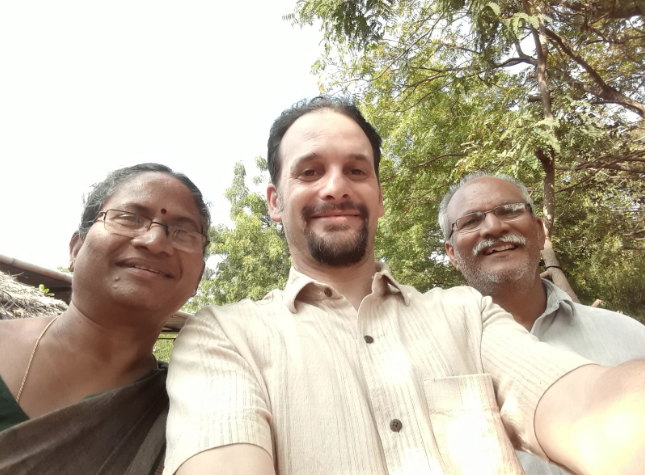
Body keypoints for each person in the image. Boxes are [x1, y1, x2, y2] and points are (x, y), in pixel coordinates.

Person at [164, 97, 645, 475]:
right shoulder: (222, 337)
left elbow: (589, 410)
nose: (336, 187)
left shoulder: (466, 316)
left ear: (378, 196)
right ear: (274, 200)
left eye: (357, 170)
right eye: (310, 172)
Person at [0, 163, 210, 475]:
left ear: (197, 281)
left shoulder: (195, 412)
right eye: (129, 217)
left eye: (182, 231)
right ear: (76, 247)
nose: (154, 240)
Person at [439, 172, 645, 474]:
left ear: (538, 231)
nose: (494, 227)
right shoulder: (432, 359)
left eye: (509, 210)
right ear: (452, 254)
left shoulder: (630, 338)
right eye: (471, 221)